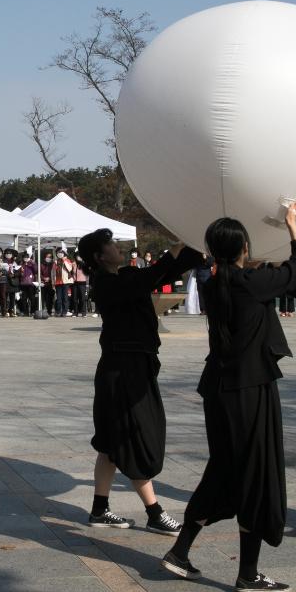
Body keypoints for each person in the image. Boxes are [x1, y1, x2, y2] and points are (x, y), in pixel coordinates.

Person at [162, 197, 296, 592]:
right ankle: (247, 574)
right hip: (250, 390)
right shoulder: (249, 285)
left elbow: (256, 275)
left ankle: (180, 551)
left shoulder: (215, 284)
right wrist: (292, 224)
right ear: (244, 248)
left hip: (219, 388)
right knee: (254, 473)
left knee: (226, 469)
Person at [76, 228, 203, 537]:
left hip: (128, 367)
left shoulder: (121, 278)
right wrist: (176, 248)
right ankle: (154, 512)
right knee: (135, 437)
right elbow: (155, 275)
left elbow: (162, 272)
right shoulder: (107, 284)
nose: (117, 246)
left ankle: (99, 509)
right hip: (123, 372)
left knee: (110, 443)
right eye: (110, 244)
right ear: (99, 256)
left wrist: (193, 246)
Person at [53, 249, 76, 317]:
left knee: (65, 297)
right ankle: (58, 311)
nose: (59, 254)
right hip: (57, 282)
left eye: (61, 253)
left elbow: (70, 269)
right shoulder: (56, 261)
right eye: (58, 253)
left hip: (65, 281)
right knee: (59, 298)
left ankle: (64, 311)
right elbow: (53, 272)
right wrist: (53, 282)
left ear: (64, 254)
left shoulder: (67, 260)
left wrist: (64, 261)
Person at [72, 250, 90, 316]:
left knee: (82, 298)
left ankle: (83, 312)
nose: (78, 257)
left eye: (80, 256)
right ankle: (75, 312)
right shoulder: (73, 264)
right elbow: (71, 273)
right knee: (74, 298)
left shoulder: (85, 264)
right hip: (75, 283)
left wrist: (87, 284)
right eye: (77, 256)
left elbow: (87, 275)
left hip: (83, 283)